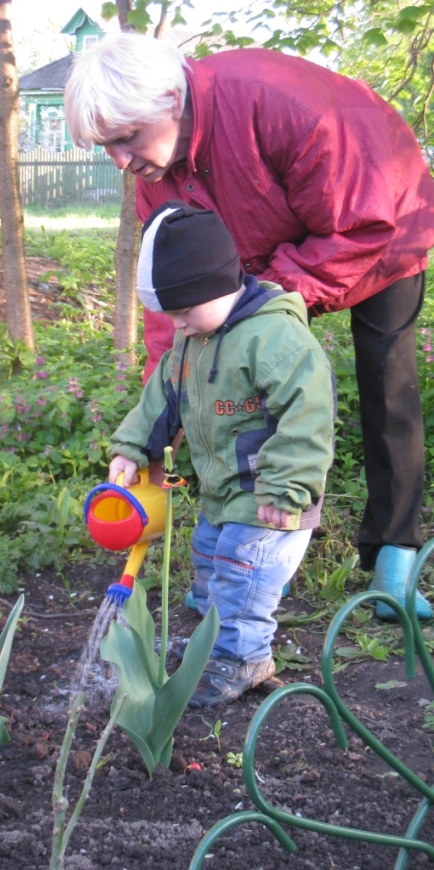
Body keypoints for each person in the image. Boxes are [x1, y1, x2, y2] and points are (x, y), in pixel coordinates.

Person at [65, 33, 434, 620]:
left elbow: (365, 224)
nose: (120, 161)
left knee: (388, 384)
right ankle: (261, 553)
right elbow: (177, 308)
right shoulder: (154, 173)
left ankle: (395, 550)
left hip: (377, 220)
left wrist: (264, 305)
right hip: (264, 255)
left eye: (126, 138)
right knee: (238, 382)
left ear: (169, 98)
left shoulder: (281, 107)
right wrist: (163, 418)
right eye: (105, 147)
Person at [108, 200, 334, 706]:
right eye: (171, 316)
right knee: (209, 560)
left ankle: (241, 658)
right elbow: (162, 399)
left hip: (272, 498)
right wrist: (131, 447)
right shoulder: (196, 340)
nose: (179, 326)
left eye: (183, 312)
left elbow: (309, 414)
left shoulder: (275, 339)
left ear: (217, 285)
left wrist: (286, 487)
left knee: (242, 573)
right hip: (224, 495)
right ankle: (218, 641)